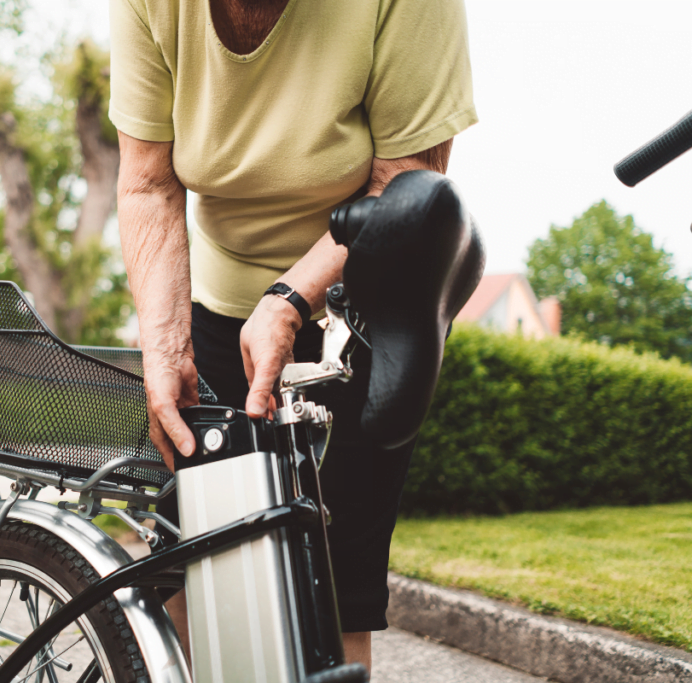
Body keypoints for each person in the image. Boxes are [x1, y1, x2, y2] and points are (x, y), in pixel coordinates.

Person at [110, 0, 477, 670]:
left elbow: (406, 180)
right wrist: (165, 346)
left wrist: (290, 299)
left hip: (364, 292)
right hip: (217, 299)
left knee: (332, 578)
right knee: (190, 554)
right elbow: (147, 182)